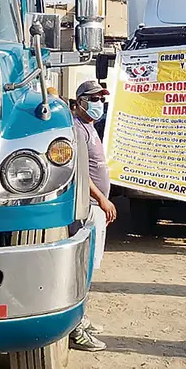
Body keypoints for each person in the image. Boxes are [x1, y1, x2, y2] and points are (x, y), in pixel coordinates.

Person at [68, 80, 117, 351]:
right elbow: (81, 172)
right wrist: (101, 199)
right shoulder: (77, 129)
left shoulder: (89, 127)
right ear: (81, 102)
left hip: (96, 207)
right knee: (82, 268)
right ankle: (75, 327)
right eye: (94, 98)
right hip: (88, 208)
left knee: (89, 268)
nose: (99, 103)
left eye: (101, 98)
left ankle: (81, 317)